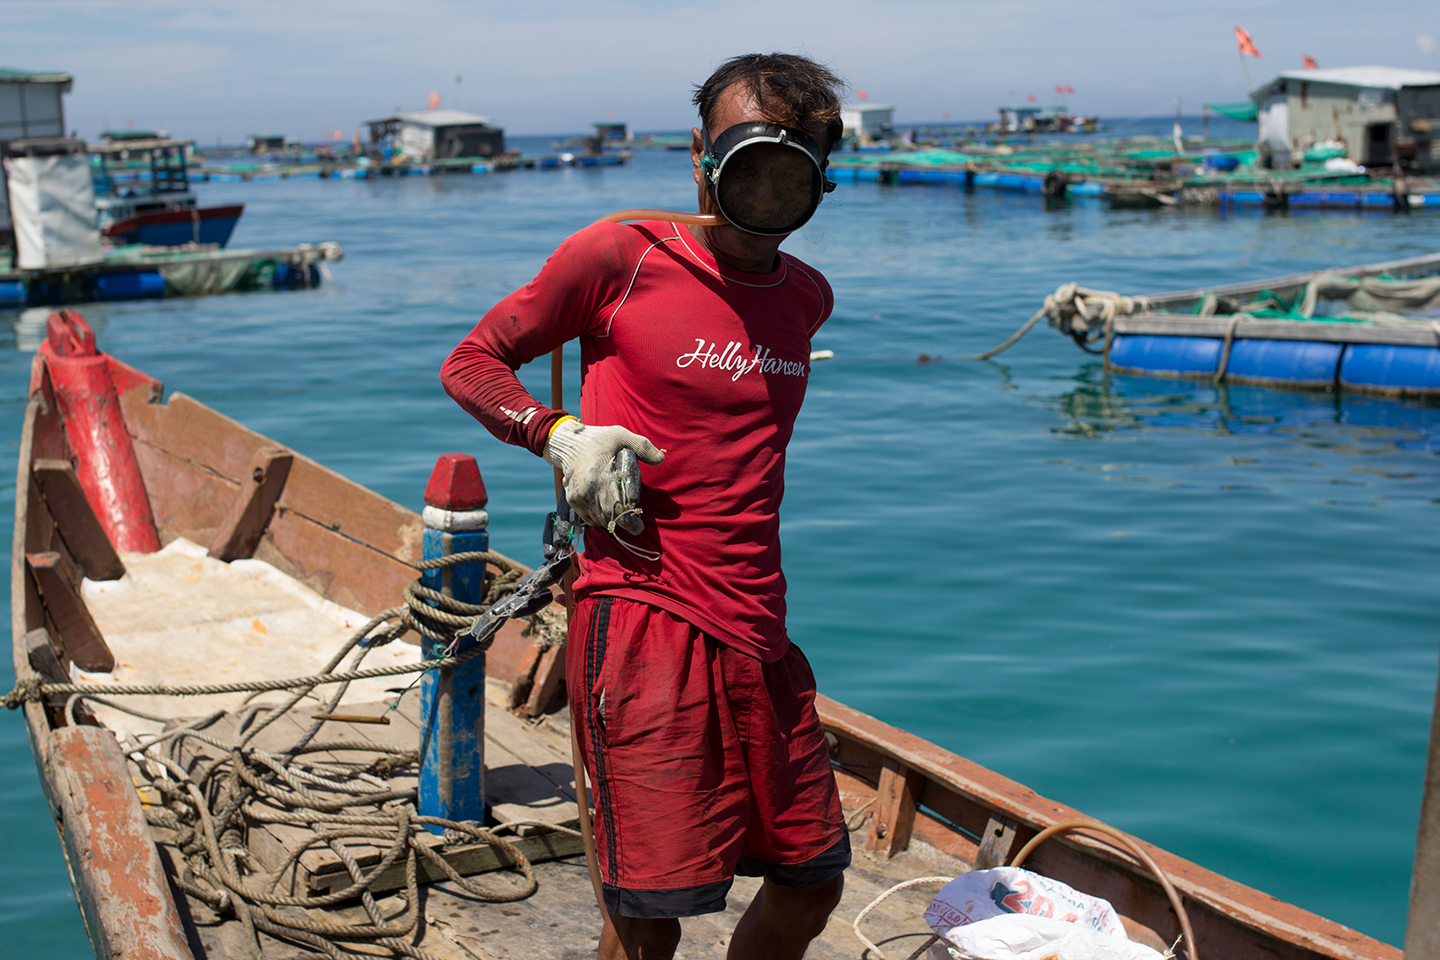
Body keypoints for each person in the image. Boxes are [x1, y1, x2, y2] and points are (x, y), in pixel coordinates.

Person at [440, 52, 847, 960]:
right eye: (751, 164)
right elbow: (471, 364)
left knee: (813, 879)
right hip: (643, 617)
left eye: (794, 170)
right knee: (648, 914)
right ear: (701, 155)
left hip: (759, 625)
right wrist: (556, 435)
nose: (767, 191)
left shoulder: (807, 298)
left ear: (824, 172)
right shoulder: (621, 256)